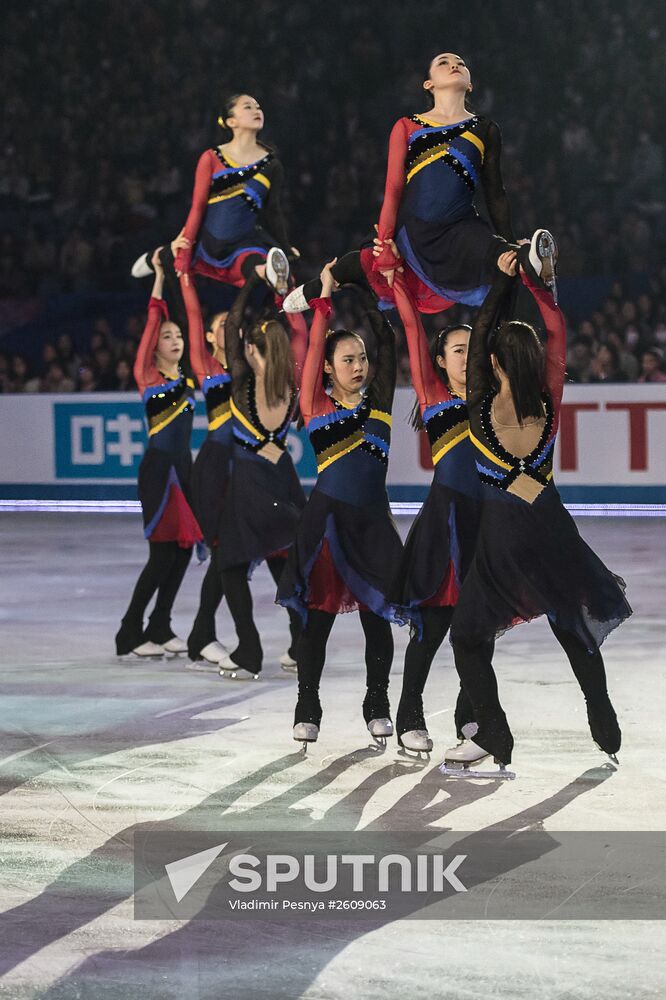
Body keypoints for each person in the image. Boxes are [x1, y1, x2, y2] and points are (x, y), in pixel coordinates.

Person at [444, 232, 631, 774]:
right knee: (571, 624)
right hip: (551, 528)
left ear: (497, 363)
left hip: (503, 540)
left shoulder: (479, 404)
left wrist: (504, 278)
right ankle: (601, 713)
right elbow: (557, 329)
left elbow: (479, 335)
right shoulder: (550, 398)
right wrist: (537, 281)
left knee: (469, 635)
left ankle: (495, 735)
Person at [283, 52, 524, 316]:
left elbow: (495, 193)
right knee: (360, 262)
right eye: (444, 63)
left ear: (470, 85)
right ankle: (313, 289)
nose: (454, 65)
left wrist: (509, 242)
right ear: (428, 84)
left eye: (461, 63)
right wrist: (385, 243)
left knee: (498, 254)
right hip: (413, 229)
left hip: (460, 227)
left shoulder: (485, 128)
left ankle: (523, 272)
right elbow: (393, 188)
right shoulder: (407, 126)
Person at [277, 260, 405, 746]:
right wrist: (324, 300)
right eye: (347, 359)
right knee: (318, 622)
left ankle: (377, 705)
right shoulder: (315, 402)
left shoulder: (381, 404)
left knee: (378, 620)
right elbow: (313, 345)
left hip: (374, 527)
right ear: (329, 369)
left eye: (361, 358)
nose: (359, 365)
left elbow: (388, 346)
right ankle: (307, 705)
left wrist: (368, 290)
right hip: (326, 526)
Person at [390, 270, 481, 753]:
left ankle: (471, 715)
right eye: (457, 349)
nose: (467, 355)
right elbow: (411, 327)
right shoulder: (434, 395)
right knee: (433, 626)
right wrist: (399, 282)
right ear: (440, 362)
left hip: (486, 524)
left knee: (478, 626)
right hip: (445, 523)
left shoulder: (493, 400)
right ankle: (409, 711)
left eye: (472, 347)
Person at [216, 266, 307, 679]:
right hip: (283, 486)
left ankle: (249, 650)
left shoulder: (241, 384)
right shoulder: (290, 387)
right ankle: (300, 646)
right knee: (282, 565)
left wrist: (255, 279)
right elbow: (300, 336)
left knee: (231, 567)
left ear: (252, 351)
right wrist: (284, 291)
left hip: (250, 489)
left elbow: (233, 324)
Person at [115, 248, 203, 658]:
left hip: (183, 470)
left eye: (178, 335)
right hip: (158, 471)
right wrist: (159, 275)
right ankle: (130, 631)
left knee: (183, 550)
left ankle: (160, 625)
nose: (175, 340)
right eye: (167, 337)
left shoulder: (186, 378)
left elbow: (190, 331)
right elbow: (154, 318)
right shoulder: (147, 375)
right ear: (154, 348)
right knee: (162, 553)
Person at [181, 278, 233, 667]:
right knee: (223, 553)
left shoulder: (256, 366)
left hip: (251, 468)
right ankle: (202, 634)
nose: (230, 330)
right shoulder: (207, 367)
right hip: (217, 466)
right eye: (222, 326)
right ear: (212, 337)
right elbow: (194, 316)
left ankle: (301, 638)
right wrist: (184, 278)